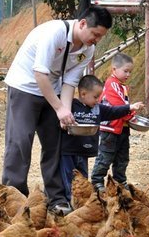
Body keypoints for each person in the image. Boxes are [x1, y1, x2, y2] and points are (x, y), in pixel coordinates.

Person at [2, 5, 112, 215]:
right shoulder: (54, 33)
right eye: (95, 34)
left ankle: (57, 199)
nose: (96, 40)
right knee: (20, 142)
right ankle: (13, 198)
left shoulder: (87, 49)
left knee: (55, 145)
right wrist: (59, 107)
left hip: (54, 91)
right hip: (25, 87)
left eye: (100, 36)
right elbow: (40, 74)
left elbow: (70, 82)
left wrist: (66, 113)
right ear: (82, 24)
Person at [59, 74, 144, 202]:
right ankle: (67, 202)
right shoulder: (70, 106)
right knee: (68, 179)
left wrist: (129, 107)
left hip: (83, 152)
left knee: (83, 180)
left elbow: (113, 111)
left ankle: (83, 203)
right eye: (95, 97)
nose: (98, 100)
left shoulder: (98, 109)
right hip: (68, 151)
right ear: (83, 94)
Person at [90, 53, 139, 192]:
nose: (128, 74)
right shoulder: (111, 84)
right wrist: (131, 115)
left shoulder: (121, 85)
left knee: (122, 157)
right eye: (125, 71)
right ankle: (97, 181)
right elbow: (118, 104)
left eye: (130, 71)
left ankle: (120, 181)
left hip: (122, 129)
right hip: (110, 129)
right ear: (114, 69)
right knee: (105, 156)